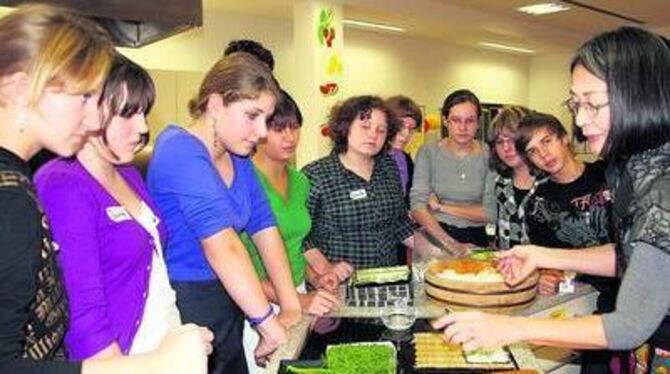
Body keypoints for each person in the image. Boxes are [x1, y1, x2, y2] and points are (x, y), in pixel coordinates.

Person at [435, 26, 670, 373]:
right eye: (576, 103)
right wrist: (540, 254)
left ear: (642, 96)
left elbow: (629, 324)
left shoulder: (661, 185)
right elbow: (636, 256)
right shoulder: (636, 166)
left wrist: (509, 328)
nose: (579, 120)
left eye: (593, 103)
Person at [0, 4, 211, 374]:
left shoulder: (21, 183)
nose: (94, 117)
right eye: (83, 97)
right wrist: (152, 365)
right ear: (19, 89)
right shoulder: (17, 197)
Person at [146, 52, 299, 373]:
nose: (260, 132)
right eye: (252, 115)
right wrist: (269, 326)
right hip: (189, 302)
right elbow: (223, 247)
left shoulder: (238, 156)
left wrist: (290, 306)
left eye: (265, 119)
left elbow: (264, 228)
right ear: (215, 105)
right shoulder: (179, 149)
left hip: (229, 295)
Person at [35, 54, 181, 360]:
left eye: (144, 113)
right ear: (87, 112)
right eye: (127, 114)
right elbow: (82, 314)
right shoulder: (63, 185)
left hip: (163, 350)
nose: (142, 127)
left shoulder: (128, 174)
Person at [240, 90, 343, 372]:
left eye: (295, 127)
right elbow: (236, 264)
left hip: (295, 295)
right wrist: (296, 300)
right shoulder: (242, 180)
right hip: (256, 302)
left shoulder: (300, 181)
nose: (290, 137)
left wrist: (316, 277)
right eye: (278, 128)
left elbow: (294, 244)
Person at [517, 112, 618, 372]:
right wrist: (547, 277)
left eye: (547, 141)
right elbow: (551, 265)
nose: (544, 154)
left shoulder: (610, 174)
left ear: (564, 138)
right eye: (533, 151)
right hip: (591, 305)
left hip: (640, 293)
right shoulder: (537, 206)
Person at [302, 95, 415, 269]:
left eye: (381, 130)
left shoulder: (388, 168)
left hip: (386, 281)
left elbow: (400, 224)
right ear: (345, 127)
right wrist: (326, 268)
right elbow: (301, 236)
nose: (373, 135)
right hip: (337, 285)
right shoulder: (316, 175)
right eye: (365, 126)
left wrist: (443, 249)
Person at [410, 89, 491, 250]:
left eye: (470, 120)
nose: (463, 127)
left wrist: (441, 207)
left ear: (478, 123)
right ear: (445, 120)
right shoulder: (428, 152)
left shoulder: (489, 155)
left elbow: (491, 212)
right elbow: (417, 207)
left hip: (476, 237)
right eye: (456, 120)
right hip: (434, 235)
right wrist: (451, 244)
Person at [483, 105, 546, 250]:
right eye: (499, 142)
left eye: (511, 139)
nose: (506, 148)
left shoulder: (551, 182)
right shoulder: (500, 183)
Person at [385, 95, 422, 200]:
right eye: (400, 126)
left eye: (411, 129)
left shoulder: (405, 159)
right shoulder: (369, 158)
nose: (406, 134)